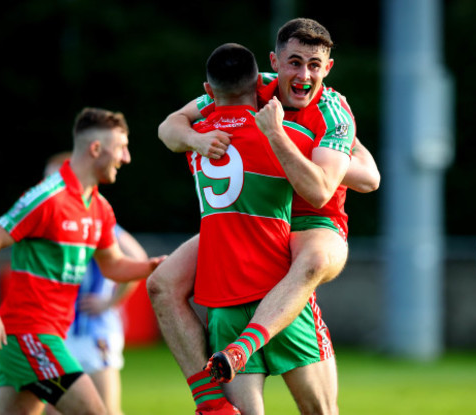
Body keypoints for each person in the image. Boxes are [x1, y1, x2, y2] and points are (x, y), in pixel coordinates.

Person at [147, 17, 378, 414]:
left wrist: (278, 137)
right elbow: (170, 126)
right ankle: (210, 401)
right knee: (161, 285)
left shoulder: (333, 109)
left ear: (328, 69)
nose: (303, 74)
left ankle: (242, 349)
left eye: (314, 65)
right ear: (275, 61)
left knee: (314, 259)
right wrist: (197, 139)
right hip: (252, 217)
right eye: (294, 62)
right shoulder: (251, 87)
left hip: (313, 219)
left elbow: (330, 189)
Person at [0, 107, 165, 415]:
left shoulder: (98, 207)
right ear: (96, 149)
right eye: (121, 148)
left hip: (45, 336)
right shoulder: (47, 197)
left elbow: (113, 265)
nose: (126, 158)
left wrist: (154, 267)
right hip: (31, 335)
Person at [187, 41, 337, 415]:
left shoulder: (197, 144)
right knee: (321, 411)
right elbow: (332, 185)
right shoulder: (293, 140)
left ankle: (206, 395)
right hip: (280, 296)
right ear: (259, 83)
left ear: (209, 92)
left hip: (223, 302)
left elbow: (169, 130)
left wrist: (191, 135)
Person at [41, 152, 148, 415]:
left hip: (93, 330)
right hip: (57, 332)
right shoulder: (45, 219)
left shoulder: (92, 214)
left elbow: (138, 258)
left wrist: (110, 302)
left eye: (55, 178)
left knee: (106, 410)